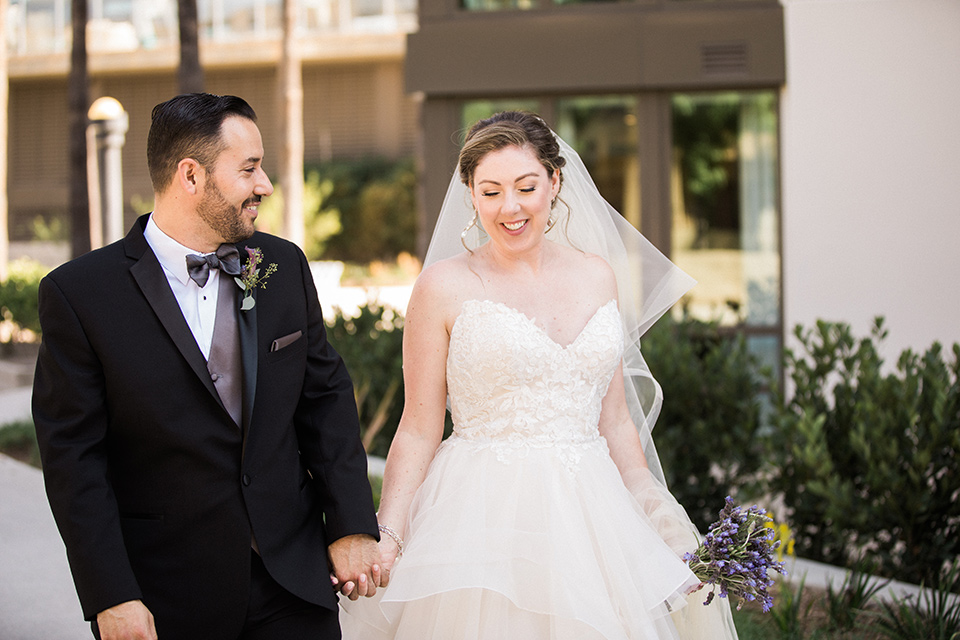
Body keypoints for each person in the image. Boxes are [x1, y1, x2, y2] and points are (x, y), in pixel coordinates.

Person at [339, 111, 740, 639]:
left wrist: (659, 518)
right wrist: (388, 530)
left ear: (553, 181)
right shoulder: (442, 287)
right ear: (471, 195)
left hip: (593, 524)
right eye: (490, 191)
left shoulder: (598, 275)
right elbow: (418, 426)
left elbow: (616, 422)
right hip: (479, 519)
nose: (510, 207)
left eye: (526, 187)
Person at [32, 93, 383, 640]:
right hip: (164, 596)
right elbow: (75, 461)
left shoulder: (281, 265)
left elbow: (325, 399)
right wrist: (111, 594)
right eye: (248, 169)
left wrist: (351, 526)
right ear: (190, 176)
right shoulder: (79, 295)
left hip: (292, 579)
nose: (264, 184)